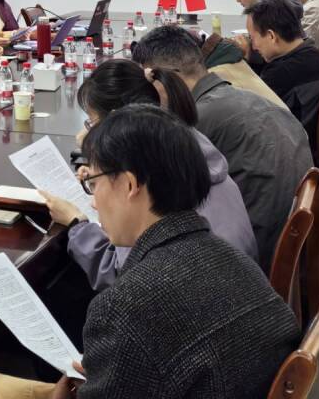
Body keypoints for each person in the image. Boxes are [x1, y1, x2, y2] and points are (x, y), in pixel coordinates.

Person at [0, 106, 300, 399]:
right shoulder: (236, 261)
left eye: (93, 183)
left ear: (129, 185)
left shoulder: (126, 305)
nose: (93, 201)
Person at [40, 60, 258, 290]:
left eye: (92, 122)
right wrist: (102, 175)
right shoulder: (183, 141)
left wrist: (77, 224)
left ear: (118, 119)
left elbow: (120, 273)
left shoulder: (155, 179)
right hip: (235, 282)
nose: (89, 131)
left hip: (200, 290)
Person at [132, 26, 313, 267]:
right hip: (295, 249)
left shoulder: (196, 122)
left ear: (161, 79)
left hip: (251, 261)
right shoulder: (247, 99)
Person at [245, 0, 319, 148]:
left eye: (252, 38)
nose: (253, 47)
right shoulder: (311, 53)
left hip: (293, 150)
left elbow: (249, 112)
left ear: (271, 36)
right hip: (311, 141)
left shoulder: (280, 73)